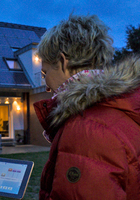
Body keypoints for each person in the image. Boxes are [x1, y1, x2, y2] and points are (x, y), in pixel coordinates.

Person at [33, 14, 140, 199]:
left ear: (62, 61)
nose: (47, 86)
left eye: (45, 72)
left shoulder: (85, 127)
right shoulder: (123, 108)